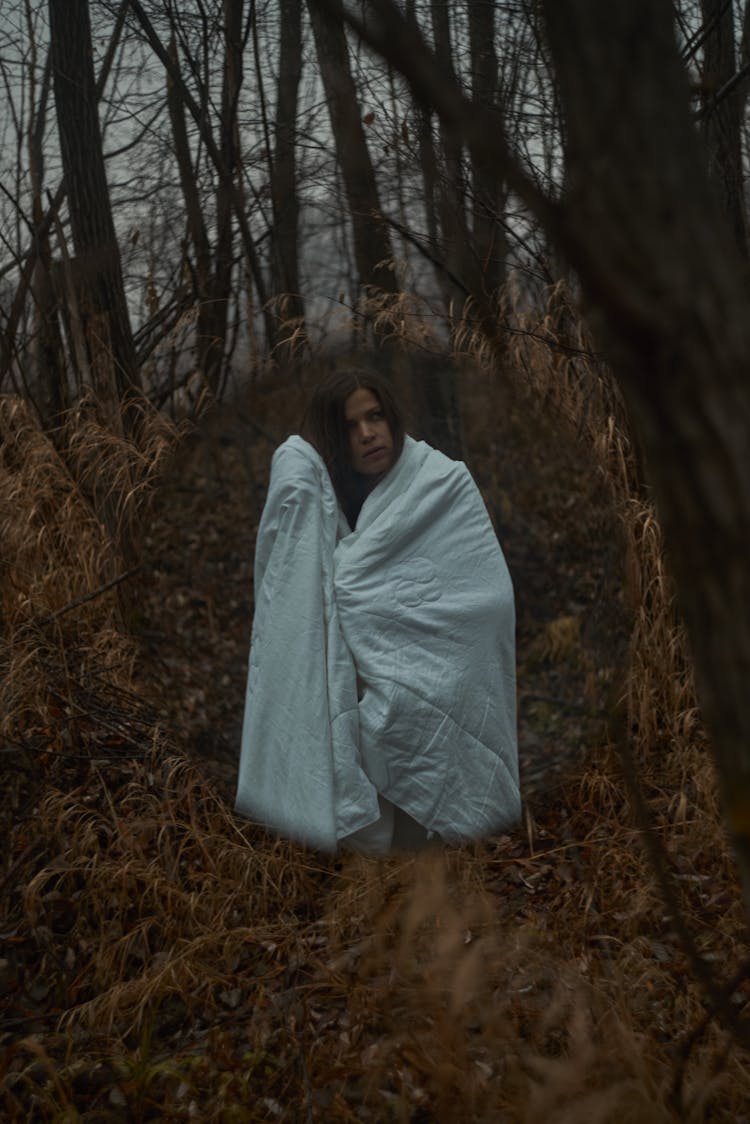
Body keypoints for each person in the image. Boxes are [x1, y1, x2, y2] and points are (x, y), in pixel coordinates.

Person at [235, 368, 520, 852]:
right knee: (366, 725)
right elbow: (298, 598)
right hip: (361, 682)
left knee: (407, 724)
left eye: (376, 416)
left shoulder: (439, 484)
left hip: (442, 674)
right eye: (351, 425)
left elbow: (487, 594)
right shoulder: (326, 502)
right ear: (334, 436)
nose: (368, 433)